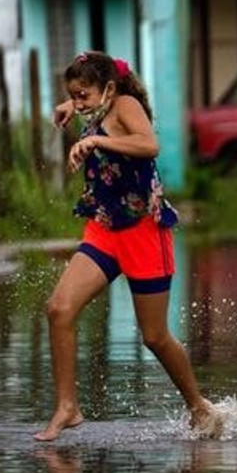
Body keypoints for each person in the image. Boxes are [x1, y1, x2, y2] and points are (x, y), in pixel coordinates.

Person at [36, 51, 218, 441]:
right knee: (59, 309)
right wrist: (69, 105)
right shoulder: (96, 106)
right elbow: (86, 104)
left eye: (83, 95)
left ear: (109, 89)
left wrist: (96, 139)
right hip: (103, 229)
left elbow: (149, 145)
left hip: (144, 232)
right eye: (75, 96)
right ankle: (68, 407)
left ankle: (199, 407)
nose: (79, 103)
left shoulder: (126, 106)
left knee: (153, 337)